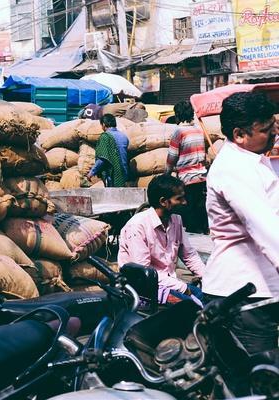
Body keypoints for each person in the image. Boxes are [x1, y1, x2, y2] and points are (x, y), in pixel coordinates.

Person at [202, 91, 279, 355]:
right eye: (266, 129)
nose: (274, 132)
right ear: (239, 134)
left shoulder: (253, 159)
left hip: (259, 290)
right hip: (243, 295)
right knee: (256, 381)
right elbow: (266, 228)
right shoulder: (234, 169)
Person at [118, 174, 205, 305]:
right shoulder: (137, 226)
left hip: (170, 283)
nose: (184, 202)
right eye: (179, 199)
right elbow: (144, 272)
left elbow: (189, 255)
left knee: (210, 301)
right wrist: (183, 288)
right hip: (144, 287)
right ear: (163, 201)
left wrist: (207, 277)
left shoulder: (176, 220)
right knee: (192, 307)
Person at [166, 100, 208, 234]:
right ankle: (204, 230)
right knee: (200, 206)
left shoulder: (179, 132)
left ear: (178, 115)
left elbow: (172, 157)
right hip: (202, 175)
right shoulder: (199, 129)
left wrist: (166, 174)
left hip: (187, 177)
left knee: (188, 209)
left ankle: (193, 235)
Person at [87, 113, 129, 187]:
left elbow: (102, 159)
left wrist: (92, 172)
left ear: (103, 124)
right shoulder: (124, 137)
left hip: (112, 176)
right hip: (123, 174)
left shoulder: (105, 137)